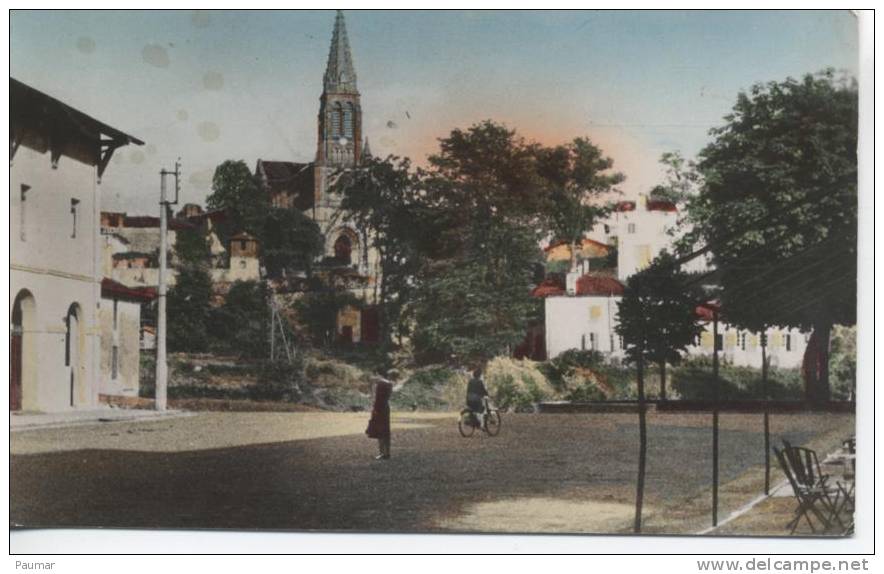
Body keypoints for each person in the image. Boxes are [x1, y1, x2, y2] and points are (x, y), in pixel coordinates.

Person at [366, 369, 395, 460]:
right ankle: (387, 452)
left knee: (380, 430)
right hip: (386, 407)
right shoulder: (389, 384)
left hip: (379, 408)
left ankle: (382, 453)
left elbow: (378, 398)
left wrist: (375, 409)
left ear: (378, 374)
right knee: (386, 431)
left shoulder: (380, 384)